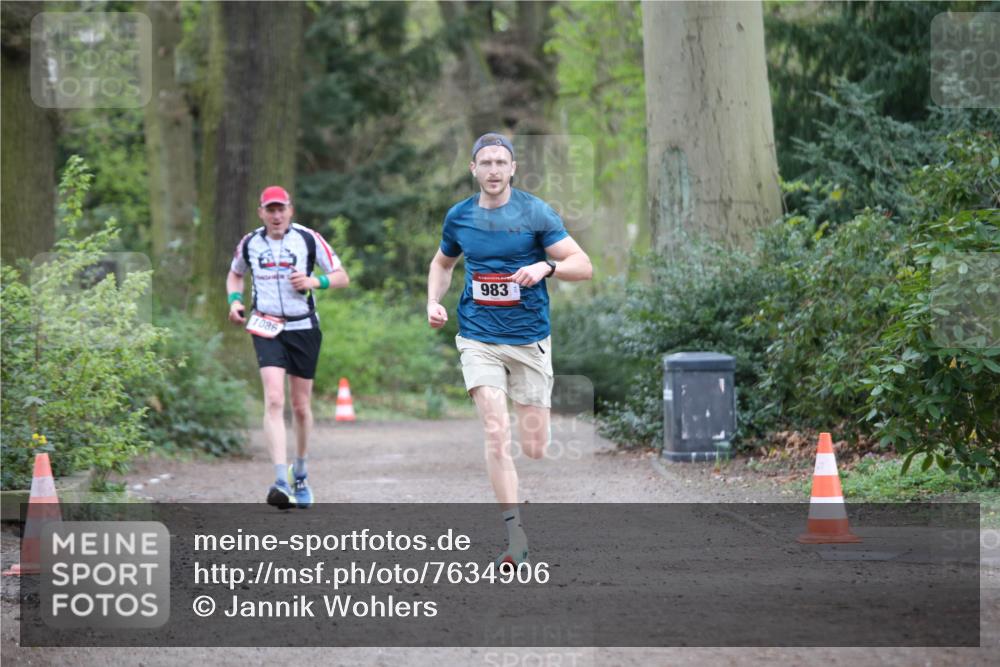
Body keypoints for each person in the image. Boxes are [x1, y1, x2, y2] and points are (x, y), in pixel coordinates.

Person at [426, 133, 592, 565]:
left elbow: (583, 265)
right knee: (496, 432)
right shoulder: (459, 217)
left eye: (502, 162)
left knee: (534, 445)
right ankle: (514, 535)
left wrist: (546, 266)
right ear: (473, 169)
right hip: (478, 336)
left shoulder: (535, 212)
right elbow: (442, 263)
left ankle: (533, 440)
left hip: (529, 340)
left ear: (513, 168)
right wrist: (433, 301)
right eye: (486, 163)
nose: (494, 170)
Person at [227, 186, 349, 509]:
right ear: (261, 213)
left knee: (300, 406)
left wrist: (314, 282)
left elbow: (341, 276)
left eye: (281, 209)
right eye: (270, 210)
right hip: (266, 326)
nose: (276, 215)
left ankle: (301, 472)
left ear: (291, 211)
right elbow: (235, 274)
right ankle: (280, 479)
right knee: (274, 398)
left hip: (303, 327)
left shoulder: (308, 239)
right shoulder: (250, 243)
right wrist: (234, 302)